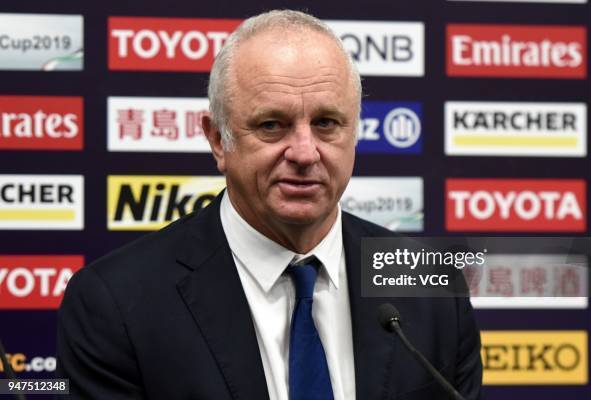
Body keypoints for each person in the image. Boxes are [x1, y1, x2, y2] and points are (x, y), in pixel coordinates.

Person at [57, 10, 482, 400]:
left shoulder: (430, 287)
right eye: (271, 125)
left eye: (326, 124)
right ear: (218, 140)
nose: (304, 152)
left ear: (354, 133)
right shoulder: (115, 302)